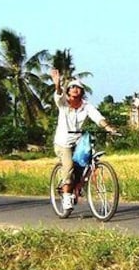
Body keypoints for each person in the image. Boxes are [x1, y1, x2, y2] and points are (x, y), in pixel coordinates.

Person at [50, 69, 117, 210]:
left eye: (78, 88)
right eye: (72, 87)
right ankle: (67, 197)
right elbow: (58, 95)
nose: (75, 90)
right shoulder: (64, 103)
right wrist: (57, 85)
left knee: (87, 161)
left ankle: (79, 185)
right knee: (68, 167)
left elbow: (98, 117)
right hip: (63, 142)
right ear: (68, 91)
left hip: (78, 141)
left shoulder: (86, 106)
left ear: (82, 91)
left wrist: (108, 128)